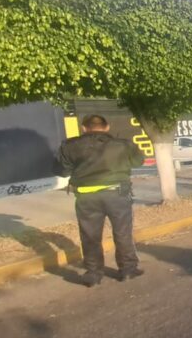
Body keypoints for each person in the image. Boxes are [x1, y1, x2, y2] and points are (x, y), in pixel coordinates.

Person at [53, 114, 146, 287]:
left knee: (90, 236)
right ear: (107, 127)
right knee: (122, 232)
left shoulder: (70, 146)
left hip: (86, 197)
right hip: (117, 194)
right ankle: (127, 270)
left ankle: (94, 274)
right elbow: (139, 161)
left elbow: (61, 171)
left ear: (83, 128)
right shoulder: (123, 145)